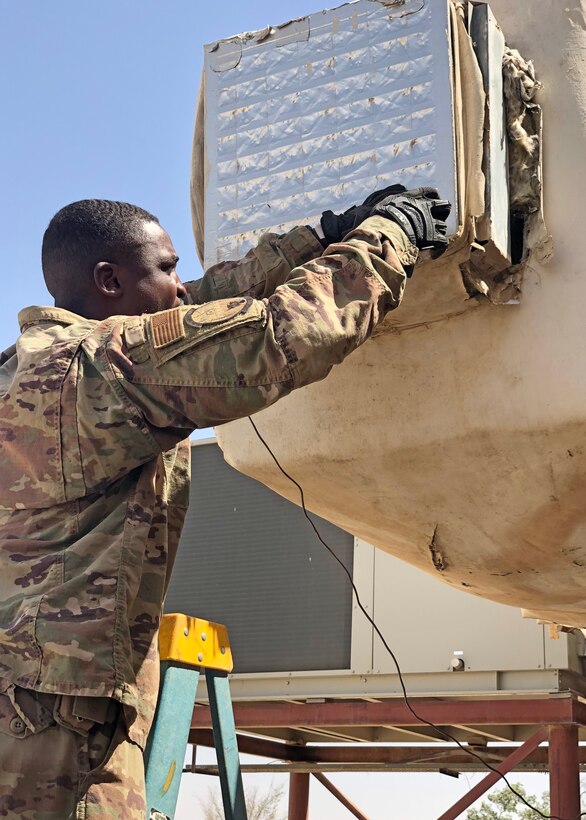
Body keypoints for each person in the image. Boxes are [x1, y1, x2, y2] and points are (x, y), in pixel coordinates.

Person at [0, 188, 449, 817]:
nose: (180, 286)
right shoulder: (99, 370)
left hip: (46, 705)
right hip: (51, 724)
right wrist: (387, 236)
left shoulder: (34, 367)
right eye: (165, 269)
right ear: (108, 281)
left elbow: (206, 305)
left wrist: (321, 234)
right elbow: (276, 336)